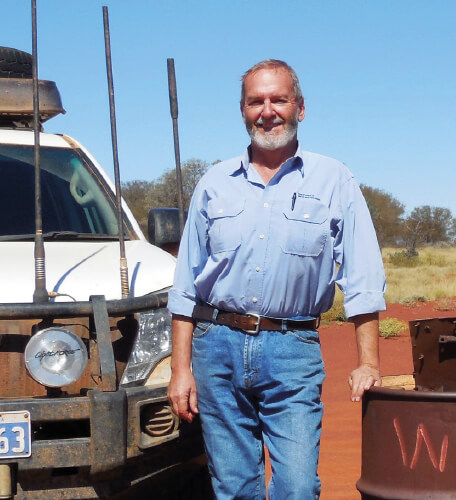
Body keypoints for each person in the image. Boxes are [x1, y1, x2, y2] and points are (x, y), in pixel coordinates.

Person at [166, 59, 386, 499]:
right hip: (217, 347)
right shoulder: (213, 182)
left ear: (300, 108)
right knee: (233, 486)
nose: (267, 111)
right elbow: (186, 286)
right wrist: (180, 369)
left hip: (292, 349)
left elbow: (362, 277)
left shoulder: (334, 180)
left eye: (278, 99)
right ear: (244, 111)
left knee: (298, 486)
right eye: (256, 101)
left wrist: (369, 362)